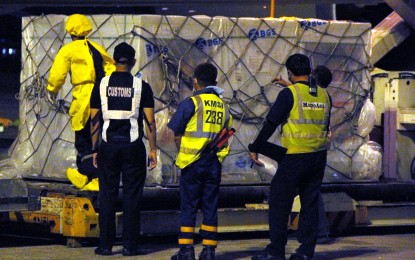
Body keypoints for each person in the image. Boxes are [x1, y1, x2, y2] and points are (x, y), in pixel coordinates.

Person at [249, 54, 331, 260]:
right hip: (318, 157)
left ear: (289, 72)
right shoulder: (324, 95)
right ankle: (305, 252)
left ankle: (276, 252)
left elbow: (271, 123)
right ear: (309, 71)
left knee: (279, 202)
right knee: (310, 203)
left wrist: (255, 146)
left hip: (294, 157)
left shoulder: (289, 94)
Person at [90, 42, 157, 256]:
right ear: (133, 62)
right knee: (132, 196)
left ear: (113, 60)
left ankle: (105, 245)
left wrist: (95, 150)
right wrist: (153, 150)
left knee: (107, 195)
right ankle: (130, 246)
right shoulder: (141, 86)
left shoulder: (101, 85)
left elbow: (94, 121)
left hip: (108, 147)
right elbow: (150, 122)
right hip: (133, 146)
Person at [168, 63, 233, 260]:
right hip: (213, 162)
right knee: (210, 206)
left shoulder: (191, 103)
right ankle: (209, 251)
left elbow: (177, 132)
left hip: (192, 163)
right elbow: (227, 134)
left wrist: (185, 153)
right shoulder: (224, 106)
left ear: (195, 81)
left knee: (189, 206)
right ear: (215, 82)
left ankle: (186, 251)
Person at [46, 14, 116, 191]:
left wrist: (51, 90)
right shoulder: (98, 48)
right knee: (100, 136)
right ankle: (99, 174)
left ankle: (88, 175)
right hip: (103, 96)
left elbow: (58, 74)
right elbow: (111, 69)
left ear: (70, 31)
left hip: (84, 97)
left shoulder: (68, 50)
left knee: (83, 137)